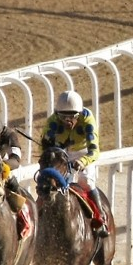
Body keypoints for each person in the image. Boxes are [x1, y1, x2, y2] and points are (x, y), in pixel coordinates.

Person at [40, 90, 110, 237]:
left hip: (84, 153)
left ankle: (100, 218)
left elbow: (94, 151)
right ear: (57, 114)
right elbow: (44, 147)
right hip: (62, 153)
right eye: (63, 117)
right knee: (51, 184)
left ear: (80, 114)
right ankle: (40, 219)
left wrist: (82, 161)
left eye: (72, 117)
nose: (67, 121)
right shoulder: (52, 121)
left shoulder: (88, 120)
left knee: (86, 182)